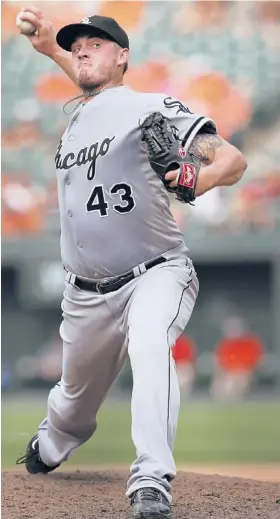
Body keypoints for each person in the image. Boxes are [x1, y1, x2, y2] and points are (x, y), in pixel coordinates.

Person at [15, 7, 247, 519]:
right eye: (78, 45)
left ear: (123, 57)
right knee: (72, 407)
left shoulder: (150, 107)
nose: (83, 49)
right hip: (84, 293)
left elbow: (232, 160)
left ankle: (151, 480)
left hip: (156, 272)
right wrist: (55, 48)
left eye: (95, 44)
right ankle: (53, 443)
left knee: (149, 344)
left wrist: (195, 181)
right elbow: (93, 89)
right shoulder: (78, 115)